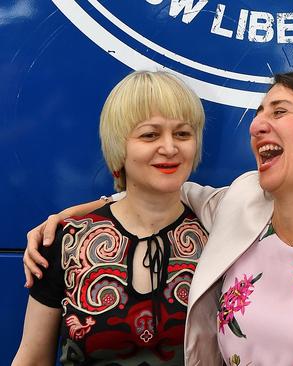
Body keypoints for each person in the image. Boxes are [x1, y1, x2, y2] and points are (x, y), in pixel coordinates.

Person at [21, 70, 293, 365]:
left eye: (278, 111)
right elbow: (157, 189)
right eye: (259, 113)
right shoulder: (241, 204)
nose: (257, 124)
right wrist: (72, 214)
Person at [13, 70, 211, 364]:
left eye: (182, 133)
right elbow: (32, 359)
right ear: (119, 146)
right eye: (150, 134)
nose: (170, 148)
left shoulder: (219, 237)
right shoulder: (66, 242)